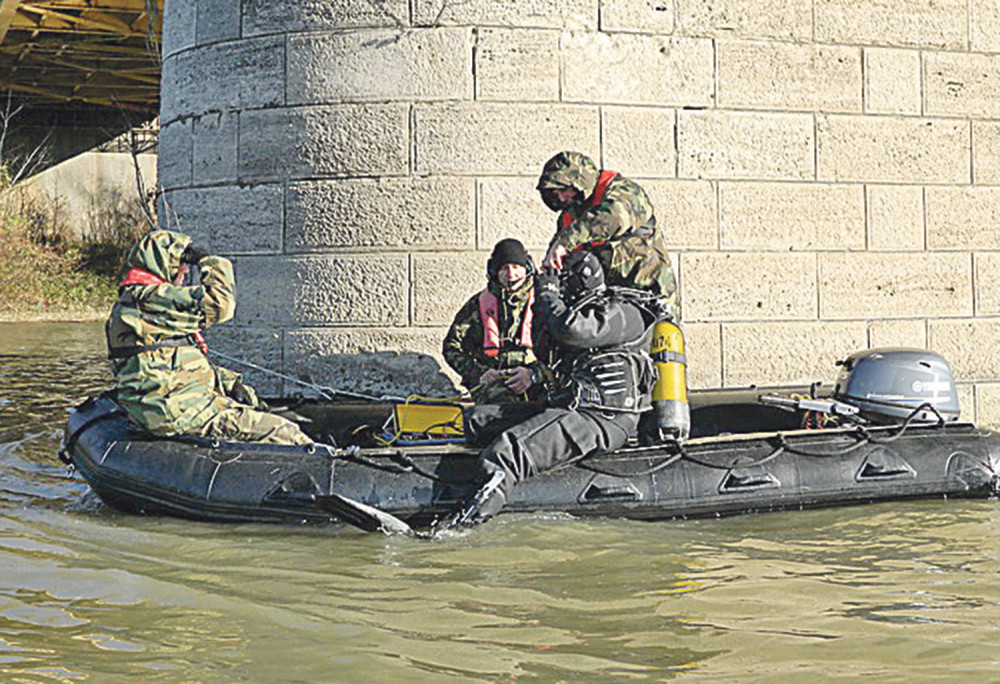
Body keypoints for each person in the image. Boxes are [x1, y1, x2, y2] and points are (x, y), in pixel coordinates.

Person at [446, 250, 667, 527]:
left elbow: (572, 331)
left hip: (605, 419)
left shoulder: (624, 312)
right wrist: (543, 300)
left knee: (505, 452)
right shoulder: (577, 313)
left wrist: (550, 295)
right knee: (478, 419)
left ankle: (463, 527)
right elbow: (545, 349)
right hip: (574, 407)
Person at [105, 229, 312, 445]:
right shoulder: (150, 299)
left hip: (171, 402)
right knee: (284, 432)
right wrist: (208, 261)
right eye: (181, 265)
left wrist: (229, 384)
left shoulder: (134, 300)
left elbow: (166, 360)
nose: (185, 272)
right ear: (165, 265)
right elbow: (220, 304)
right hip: (175, 411)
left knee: (262, 410)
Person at [536, 150, 678, 319]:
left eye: (563, 190)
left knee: (663, 334)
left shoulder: (625, 192)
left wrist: (564, 242)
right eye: (555, 194)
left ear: (579, 182)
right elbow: (561, 259)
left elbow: (615, 217)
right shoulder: (570, 217)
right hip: (608, 305)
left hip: (649, 296)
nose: (561, 198)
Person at [442, 238, 541, 404]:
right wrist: (479, 373)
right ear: (494, 271)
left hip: (536, 379)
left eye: (516, 267)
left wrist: (534, 374)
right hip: (493, 382)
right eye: (504, 268)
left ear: (528, 268)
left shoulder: (545, 301)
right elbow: (451, 346)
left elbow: (565, 348)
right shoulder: (478, 304)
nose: (511, 274)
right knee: (499, 406)